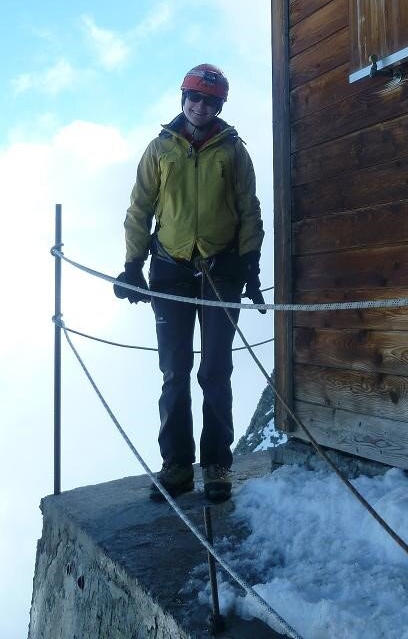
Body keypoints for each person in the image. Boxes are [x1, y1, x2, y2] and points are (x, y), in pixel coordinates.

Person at [114, 63, 265, 503]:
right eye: (193, 98)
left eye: (209, 101)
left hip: (221, 272)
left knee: (216, 371)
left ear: (219, 106)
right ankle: (177, 467)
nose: (200, 107)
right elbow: (139, 208)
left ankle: (217, 466)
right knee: (174, 373)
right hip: (170, 270)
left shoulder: (233, 152)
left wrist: (250, 264)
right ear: (182, 99)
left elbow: (249, 210)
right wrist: (131, 265)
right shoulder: (159, 149)